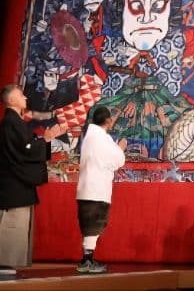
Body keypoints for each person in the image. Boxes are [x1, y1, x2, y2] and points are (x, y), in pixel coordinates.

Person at [0, 84, 65, 275]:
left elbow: (26, 146)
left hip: (17, 183)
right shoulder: (10, 123)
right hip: (13, 184)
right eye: (21, 95)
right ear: (11, 100)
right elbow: (22, 150)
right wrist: (44, 140)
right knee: (9, 224)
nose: (25, 98)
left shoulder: (15, 122)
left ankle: (2, 264)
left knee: (14, 225)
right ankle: (0, 264)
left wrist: (44, 140)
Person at [76, 107, 126, 273]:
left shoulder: (90, 136)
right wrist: (120, 148)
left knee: (89, 225)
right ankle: (87, 260)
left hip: (86, 188)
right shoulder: (102, 138)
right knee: (94, 224)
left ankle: (87, 259)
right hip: (96, 189)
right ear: (108, 121)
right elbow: (117, 160)